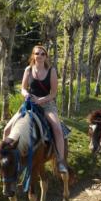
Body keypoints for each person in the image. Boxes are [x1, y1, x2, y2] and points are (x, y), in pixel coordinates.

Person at [13, 45, 68, 173]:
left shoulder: (51, 71)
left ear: (46, 56)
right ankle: (4, 156)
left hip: (47, 104)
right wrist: (26, 94)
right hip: (30, 103)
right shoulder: (28, 70)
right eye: (37, 53)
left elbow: (53, 93)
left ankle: (60, 161)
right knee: (7, 129)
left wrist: (40, 100)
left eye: (43, 54)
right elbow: (23, 88)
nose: (40, 56)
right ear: (33, 55)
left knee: (57, 129)